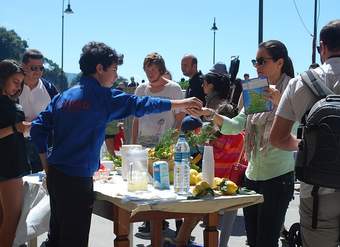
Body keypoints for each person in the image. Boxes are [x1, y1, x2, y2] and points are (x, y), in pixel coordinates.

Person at [30, 41, 202, 247]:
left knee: (56, 237)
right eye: (114, 69)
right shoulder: (102, 97)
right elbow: (141, 104)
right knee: (73, 240)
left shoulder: (63, 97)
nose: (116, 75)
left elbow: (37, 128)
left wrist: (46, 166)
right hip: (77, 181)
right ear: (99, 69)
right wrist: (180, 103)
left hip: (57, 175)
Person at [189, 40, 296, 247]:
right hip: (252, 176)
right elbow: (237, 125)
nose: (256, 66)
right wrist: (210, 114)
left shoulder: (293, 88)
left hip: (277, 178)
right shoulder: (256, 88)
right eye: (255, 61)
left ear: (279, 62)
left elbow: (297, 128)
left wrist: (280, 102)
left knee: (266, 242)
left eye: (261, 61)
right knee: (254, 241)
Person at [270, 20, 340, 247]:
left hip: (319, 192)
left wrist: (309, 144)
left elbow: (278, 138)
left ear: (323, 47)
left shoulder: (300, 82)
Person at [0, 60, 31, 247]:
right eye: (15, 81)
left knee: (5, 217)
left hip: (13, 162)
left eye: (21, 83)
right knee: (13, 218)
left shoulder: (11, 101)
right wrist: (15, 128)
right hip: (7, 166)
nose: (18, 87)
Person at [132, 52, 185, 147]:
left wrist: (170, 145)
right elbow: (136, 120)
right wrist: (134, 145)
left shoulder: (174, 89)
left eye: (152, 69)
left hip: (164, 147)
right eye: (147, 70)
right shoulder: (140, 90)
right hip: (142, 146)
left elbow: (179, 120)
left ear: (161, 69)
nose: (149, 73)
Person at [19, 49, 58, 173]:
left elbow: (59, 114)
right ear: (23, 66)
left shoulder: (50, 89)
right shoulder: (13, 87)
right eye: (33, 68)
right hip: (18, 144)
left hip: (45, 144)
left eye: (41, 68)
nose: (38, 72)